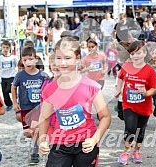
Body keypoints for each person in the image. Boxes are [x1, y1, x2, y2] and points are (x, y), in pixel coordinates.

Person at [38, 36, 111, 167]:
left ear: (78, 58)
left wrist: (94, 139)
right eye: (58, 58)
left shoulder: (91, 86)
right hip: (60, 142)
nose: (62, 63)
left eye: (67, 58)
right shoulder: (49, 89)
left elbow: (105, 117)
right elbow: (44, 117)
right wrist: (42, 139)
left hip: (85, 144)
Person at [115, 40, 156, 165]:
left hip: (144, 106)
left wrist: (147, 93)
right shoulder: (126, 67)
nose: (135, 56)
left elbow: (155, 87)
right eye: (133, 53)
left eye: (138, 53)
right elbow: (120, 78)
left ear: (145, 53)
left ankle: (136, 151)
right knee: (130, 128)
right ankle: (126, 151)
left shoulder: (149, 70)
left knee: (140, 130)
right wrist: (118, 90)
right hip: (128, 104)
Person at [11, 46, 47, 165]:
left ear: (36, 59)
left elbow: (50, 88)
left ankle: (35, 153)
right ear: (21, 60)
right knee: (28, 133)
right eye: (25, 60)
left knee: (36, 130)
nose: (28, 62)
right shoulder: (20, 76)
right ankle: (37, 140)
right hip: (25, 108)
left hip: (38, 107)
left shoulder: (42, 75)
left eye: (30, 59)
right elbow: (13, 87)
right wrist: (15, 103)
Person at [0, 40, 18, 111]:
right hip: (3, 77)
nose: (5, 49)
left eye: (7, 47)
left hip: (11, 76)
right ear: (1, 48)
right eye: (4, 47)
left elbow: (18, 65)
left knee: (8, 89)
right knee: (4, 92)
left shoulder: (13, 57)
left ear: (10, 48)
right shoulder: (0, 58)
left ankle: (15, 95)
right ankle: (9, 104)